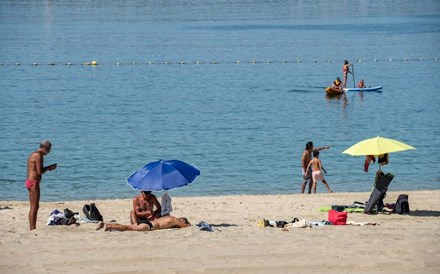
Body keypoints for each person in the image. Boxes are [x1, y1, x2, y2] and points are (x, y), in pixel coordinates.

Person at [26, 140, 57, 230]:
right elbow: (39, 172)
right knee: (34, 207)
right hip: (33, 183)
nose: (49, 152)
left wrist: (48, 168)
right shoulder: (39, 155)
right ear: (45, 147)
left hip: (30, 181)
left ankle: (32, 228)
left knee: (34, 206)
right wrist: (49, 168)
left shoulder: (34, 154)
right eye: (48, 149)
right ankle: (32, 229)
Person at [96, 215, 191, 232]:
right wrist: (189, 225)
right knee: (128, 228)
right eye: (183, 220)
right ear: (181, 219)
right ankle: (109, 226)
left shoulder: (168, 217)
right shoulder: (175, 219)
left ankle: (106, 224)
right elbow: (185, 227)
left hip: (147, 222)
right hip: (149, 226)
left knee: (129, 226)